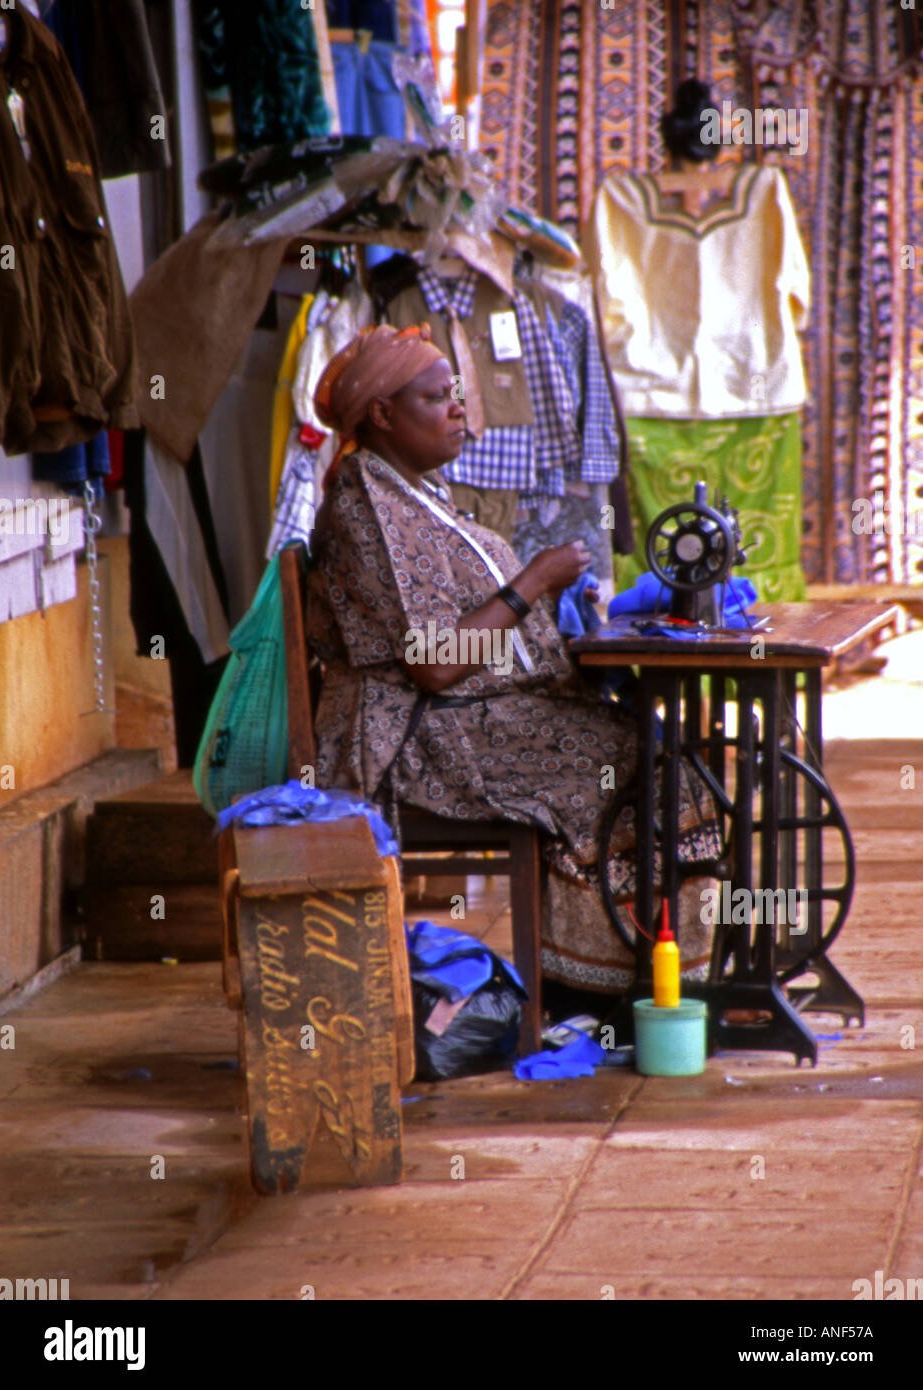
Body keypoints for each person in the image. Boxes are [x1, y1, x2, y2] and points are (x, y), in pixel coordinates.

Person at [306, 322, 721, 1007]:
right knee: (644, 766)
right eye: (438, 398)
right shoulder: (365, 507)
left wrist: (551, 600)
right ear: (381, 414)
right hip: (420, 738)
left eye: (457, 395)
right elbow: (434, 666)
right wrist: (531, 582)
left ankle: (634, 976)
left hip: (466, 716)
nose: (460, 410)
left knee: (656, 752)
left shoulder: (411, 493)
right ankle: (607, 989)